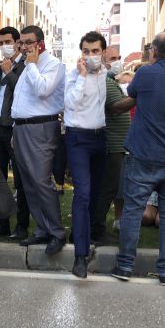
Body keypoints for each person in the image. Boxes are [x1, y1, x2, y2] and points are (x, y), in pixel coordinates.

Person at [111, 33, 165, 286]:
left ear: (154, 52)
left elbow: (133, 98)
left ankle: (125, 265)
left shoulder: (146, 74)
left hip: (144, 154)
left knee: (133, 210)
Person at [12, 25, 66, 256]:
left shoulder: (53, 65)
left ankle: (57, 232)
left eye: (28, 42)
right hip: (23, 128)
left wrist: (32, 64)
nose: (23, 47)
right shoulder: (26, 65)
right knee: (28, 183)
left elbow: (43, 90)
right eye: (21, 43)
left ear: (40, 43)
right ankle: (43, 228)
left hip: (41, 127)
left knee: (41, 181)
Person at [63, 32, 109, 278]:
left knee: (94, 193)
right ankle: (79, 256)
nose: (90, 56)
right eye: (86, 51)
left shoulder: (105, 74)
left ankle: (85, 234)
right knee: (82, 193)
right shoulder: (73, 75)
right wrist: (81, 77)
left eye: (95, 51)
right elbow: (69, 104)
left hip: (99, 137)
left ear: (102, 52)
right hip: (77, 138)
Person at [0, 26, 31, 239]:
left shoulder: (27, 66)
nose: (4, 46)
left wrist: (10, 71)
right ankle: (0, 224)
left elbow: (23, 92)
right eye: (1, 42)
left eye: (8, 41)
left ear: (18, 42)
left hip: (14, 127)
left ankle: (21, 225)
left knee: (20, 179)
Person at [92, 55, 132, 243]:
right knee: (106, 190)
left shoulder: (109, 81)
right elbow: (117, 107)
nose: (117, 61)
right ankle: (97, 231)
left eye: (118, 57)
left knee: (108, 189)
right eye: (112, 58)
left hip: (116, 146)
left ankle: (96, 228)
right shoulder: (106, 82)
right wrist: (138, 95)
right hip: (111, 146)